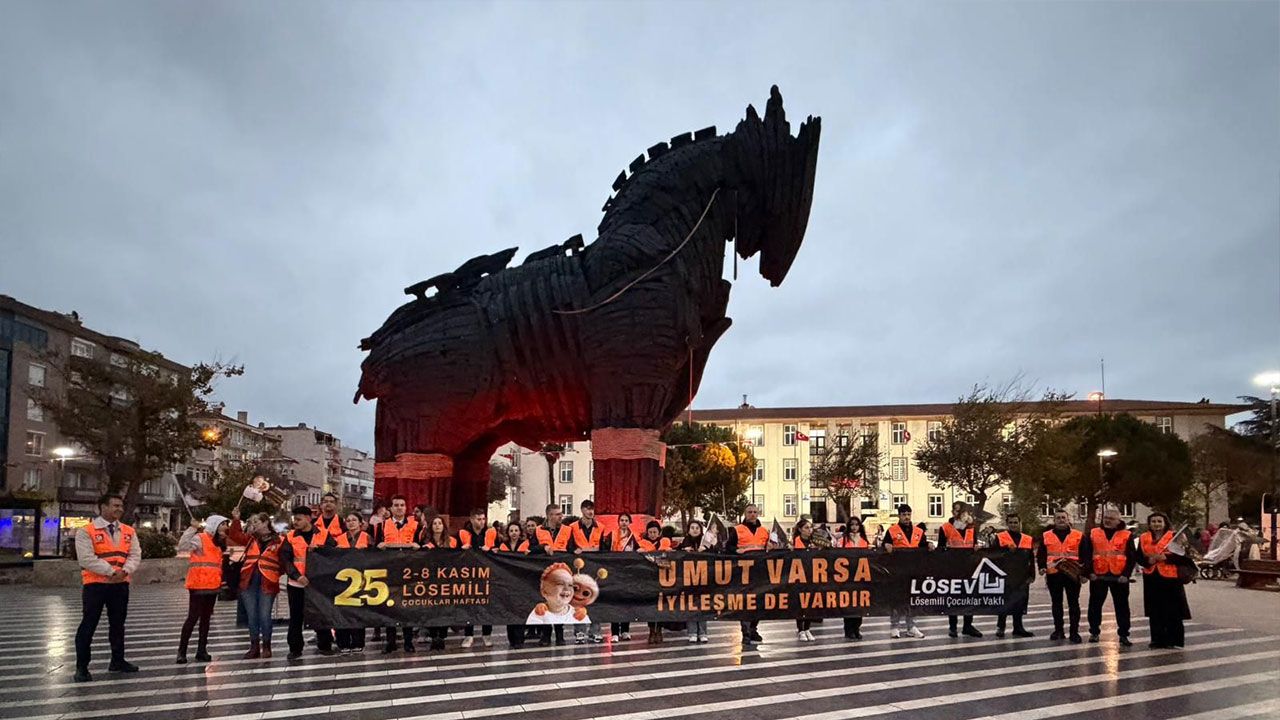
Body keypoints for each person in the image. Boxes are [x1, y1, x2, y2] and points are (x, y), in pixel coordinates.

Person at [73, 493, 141, 682]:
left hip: (120, 584)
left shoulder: (128, 531)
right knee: (89, 624)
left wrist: (125, 571)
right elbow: (86, 559)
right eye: (115, 505)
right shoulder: (86, 531)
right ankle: (82, 667)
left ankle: (117, 660)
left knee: (118, 624)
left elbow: (135, 554)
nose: (119, 509)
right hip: (95, 584)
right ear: (102, 507)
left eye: (121, 506)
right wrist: (110, 571)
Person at [279, 505, 335, 659]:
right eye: (294, 519)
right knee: (296, 616)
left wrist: (321, 550)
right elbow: (285, 559)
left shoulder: (324, 534)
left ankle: (325, 644)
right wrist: (297, 576)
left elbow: (333, 554)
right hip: (297, 583)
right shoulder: (290, 536)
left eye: (298, 519)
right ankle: (295, 648)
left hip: (317, 584)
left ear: (308, 519)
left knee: (321, 613)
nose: (295, 522)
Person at [226, 508, 283, 659]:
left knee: (264, 615)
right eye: (252, 522)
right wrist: (236, 519)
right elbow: (235, 535)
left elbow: (284, 561)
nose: (254, 525)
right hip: (248, 580)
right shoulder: (251, 539)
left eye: (256, 522)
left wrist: (276, 573)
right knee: (252, 616)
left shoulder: (278, 541)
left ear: (265, 523)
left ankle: (267, 646)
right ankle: (254, 647)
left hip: (268, 581)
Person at [1081, 506, 1139, 646]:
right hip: (1098, 575)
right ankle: (1094, 632)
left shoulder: (1126, 535)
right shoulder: (1093, 533)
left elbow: (1131, 557)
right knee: (1095, 606)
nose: (1107, 521)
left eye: (1111, 519)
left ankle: (1123, 634)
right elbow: (1087, 554)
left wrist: (1126, 574)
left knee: (1122, 607)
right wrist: (1089, 573)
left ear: (1118, 521)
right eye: (1106, 518)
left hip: (1119, 577)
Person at [175, 513, 229, 663]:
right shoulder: (201, 538)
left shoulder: (219, 542)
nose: (226, 527)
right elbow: (183, 546)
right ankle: (182, 651)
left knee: (206, 618)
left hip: (212, 586)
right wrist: (192, 528)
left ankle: (202, 650)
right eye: (223, 524)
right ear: (215, 525)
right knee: (193, 618)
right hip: (198, 584)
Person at [373, 495, 420, 653]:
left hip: (409, 570)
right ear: (391, 508)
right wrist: (378, 547)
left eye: (402, 505)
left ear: (406, 508)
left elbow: (422, 546)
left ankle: (408, 641)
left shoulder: (415, 525)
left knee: (407, 606)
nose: (399, 507)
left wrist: (418, 546)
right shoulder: (381, 525)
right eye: (396, 505)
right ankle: (390, 641)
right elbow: (374, 548)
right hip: (389, 570)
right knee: (390, 606)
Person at [1139, 512, 1190, 649]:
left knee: (1173, 609)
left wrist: (1166, 558)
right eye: (1153, 521)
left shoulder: (1175, 536)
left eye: (1159, 521)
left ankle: (1174, 639)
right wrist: (1147, 561)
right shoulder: (1144, 537)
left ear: (1165, 523)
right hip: (1151, 576)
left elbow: (1184, 557)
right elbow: (1138, 556)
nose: (1156, 524)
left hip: (1171, 577)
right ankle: (1157, 639)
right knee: (1155, 609)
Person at [725, 504, 768, 647]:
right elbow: (728, 547)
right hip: (743, 572)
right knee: (745, 602)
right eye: (750, 512)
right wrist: (736, 551)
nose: (752, 514)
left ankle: (754, 629)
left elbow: (769, 548)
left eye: (755, 512)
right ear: (745, 513)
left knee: (759, 602)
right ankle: (746, 632)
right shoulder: (737, 530)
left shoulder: (764, 531)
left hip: (760, 571)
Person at [1037, 509, 1084, 643]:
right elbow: (1041, 553)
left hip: (1072, 573)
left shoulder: (1078, 535)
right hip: (1054, 573)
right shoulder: (1046, 535)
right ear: (1054, 520)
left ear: (1068, 519)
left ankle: (1074, 632)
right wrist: (1041, 566)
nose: (1061, 520)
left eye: (1063, 517)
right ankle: (1058, 630)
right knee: (1056, 603)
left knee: (1073, 603)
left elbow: (1084, 554)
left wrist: (1084, 573)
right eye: (1058, 518)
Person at [938, 502, 982, 638]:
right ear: (953, 512)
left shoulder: (971, 528)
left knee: (969, 597)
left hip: (969, 568)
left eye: (962, 511)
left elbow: (974, 545)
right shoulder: (945, 527)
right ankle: (953, 627)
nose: (959, 514)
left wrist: (977, 548)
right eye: (956, 511)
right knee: (953, 598)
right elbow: (940, 549)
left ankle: (968, 626)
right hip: (953, 568)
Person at [883, 504, 926, 639]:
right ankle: (895, 626)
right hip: (897, 571)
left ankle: (911, 626)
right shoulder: (892, 531)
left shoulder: (919, 531)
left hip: (914, 570)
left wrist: (929, 545)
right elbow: (885, 545)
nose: (907, 517)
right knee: (896, 599)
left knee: (912, 599)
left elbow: (924, 546)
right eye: (904, 514)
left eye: (908, 514)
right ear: (899, 516)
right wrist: (886, 545)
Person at [457, 507, 498, 647]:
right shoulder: (462, 534)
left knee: (487, 604)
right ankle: (468, 635)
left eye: (483, 519)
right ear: (471, 519)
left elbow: (499, 549)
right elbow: (453, 551)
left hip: (487, 575)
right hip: (468, 575)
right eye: (478, 519)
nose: (482, 522)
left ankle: (487, 634)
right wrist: (461, 550)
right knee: (469, 605)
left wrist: (493, 550)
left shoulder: (491, 533)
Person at [565, 500, 605, 643]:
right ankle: (579, 631)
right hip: (579, 568)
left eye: (592, 509)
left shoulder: (601, 527)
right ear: (582, 510)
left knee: (595, 599)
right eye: (587, 509)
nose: (590, 512)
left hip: (595, 567)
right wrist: (574, 550)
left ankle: (595, 631)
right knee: (579, 599)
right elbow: (568, 546)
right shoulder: (572, 527)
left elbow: (605, 547)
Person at [333, 512, 370, 652]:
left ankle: (358, 642)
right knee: (342, 611)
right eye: (348, 520)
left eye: (354, 520)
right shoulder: (339, 539)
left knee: (358, 611)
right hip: (343, 580)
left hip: (362, 578)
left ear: (360, 522)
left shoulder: (367, 537)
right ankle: (343, 642)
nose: (351, 523)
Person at [993, 513, 1035, 639]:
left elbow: (1031, 559)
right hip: (1005, 574)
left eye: (1015, 522)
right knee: (1004, 601)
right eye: (1010, 522)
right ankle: (1001, 627)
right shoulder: (1000, 537)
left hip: (1022, 576)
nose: (1013, 525)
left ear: (1019, 523)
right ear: (1007, 524)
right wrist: (1006, 550)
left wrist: (1032, 575)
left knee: (1020, 601)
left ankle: (1018, 627)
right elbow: (993, 555)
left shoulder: (1028, 539)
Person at [420, 514, 457, 649]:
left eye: (440, 523)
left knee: (444, 609)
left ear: (443, 526)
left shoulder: (452, 542)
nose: (437, 526)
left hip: (447, 580)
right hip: (431, 581)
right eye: (435, 523)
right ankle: (433, 635)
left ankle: (442, 636)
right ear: (431, 527)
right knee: (432, 609)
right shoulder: (425, 543)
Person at [495, 522, 534, 648]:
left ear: (520, 532)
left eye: (516, 530)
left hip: (521, 583)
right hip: (507, 583)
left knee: (520, 610)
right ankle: (511, 638)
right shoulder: (503, 546)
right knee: (509, 610)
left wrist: (531, 552)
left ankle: (519, 639)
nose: (514, 533)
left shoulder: (526, 544)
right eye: (511, 530)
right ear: (508, 533)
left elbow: (538, 550)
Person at [637, 519, 673, 643]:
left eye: (655, 532)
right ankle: (652, 630)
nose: (652, 534)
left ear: (659, 532)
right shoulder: (642, 544)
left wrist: (670, 552)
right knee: (651, 606)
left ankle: (659, 630)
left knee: (662, 606)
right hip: (648, 580)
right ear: (647, 533)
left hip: (663, 579)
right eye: (650, 532)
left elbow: (669, 561)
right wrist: (638, 553)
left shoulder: (665, 543)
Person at [606, 512, 639, 642]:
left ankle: (625, 630)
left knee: (626, 602)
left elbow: (638, 551)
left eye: (626, 520)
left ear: (629, 522)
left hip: (628, 573)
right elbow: (604, 551)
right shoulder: (612, 535)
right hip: (614, 572)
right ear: (618, 522)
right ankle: (614, 632)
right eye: (622, 520)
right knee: (615, 602)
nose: (624, 522)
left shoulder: (633, 537)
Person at [677, 519, 710, 643]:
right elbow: (675, 555)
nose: (695, 530)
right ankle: (692, 632)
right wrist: (683, 551)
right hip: (688, 579)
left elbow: (716, 554)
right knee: (690, 605)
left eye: (697, 528)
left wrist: (706, 551)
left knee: (702, 605)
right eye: (692, 528)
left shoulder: (705, 543)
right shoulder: (684, 543)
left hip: (703, 579)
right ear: (688, 530)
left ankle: (703, 632)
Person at [836, 517, 869, 639]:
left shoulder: (864, 541)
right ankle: (848, 629)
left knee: (860, 604)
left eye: (856, 525)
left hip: (860, 575)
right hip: (847, 576)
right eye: (852, 525)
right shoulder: (843, 541)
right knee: (848, 603)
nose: (854, 527)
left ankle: (857, 628)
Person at [792, 518, 817, 642]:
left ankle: (807, 628)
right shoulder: (794, 542)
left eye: (810, 527)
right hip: (798, 576)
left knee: (810, 603)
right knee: (800, 603)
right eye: (806, 528)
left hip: (812, 576)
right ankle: (800, 629)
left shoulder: (815, 542)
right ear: (800, 529)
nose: (809, 530)